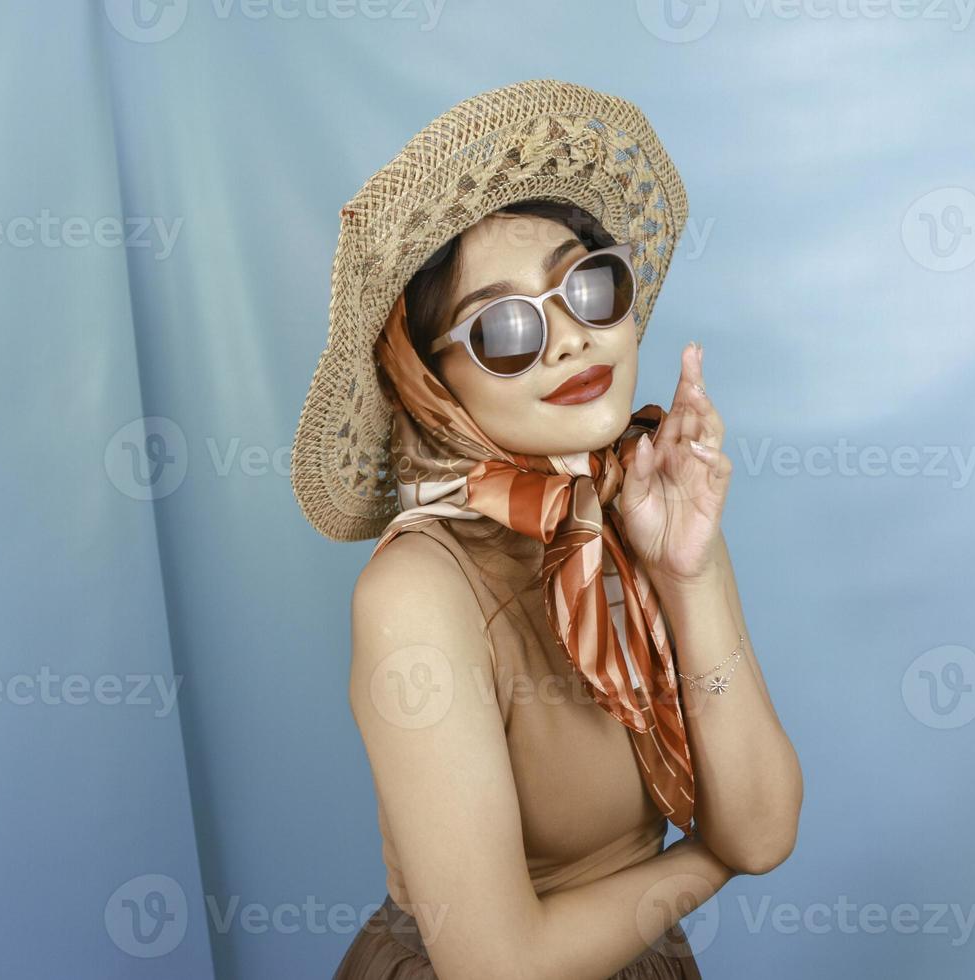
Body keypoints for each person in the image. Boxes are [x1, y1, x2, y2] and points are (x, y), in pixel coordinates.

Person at [291, 79, 803, 980]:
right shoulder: (418, 589)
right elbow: (498, 965)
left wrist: (690, 572)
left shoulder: (632, 507)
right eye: (505, 326)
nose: (567, 338)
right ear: (433, 383)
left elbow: (765, 821)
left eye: (587, 284)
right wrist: (707, 861)